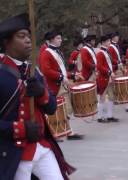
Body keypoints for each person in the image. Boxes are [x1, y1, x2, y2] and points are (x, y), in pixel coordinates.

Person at [0, 13, 75, 180]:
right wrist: (19, 129)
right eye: (21, 36)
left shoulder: (33, 72)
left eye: (28, 36)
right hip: (13, 153)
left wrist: (42, 93)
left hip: (41, 146)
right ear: (7, 42)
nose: (28, 40)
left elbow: (51, 108)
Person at [39, 30, 84, 141]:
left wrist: (72, 75)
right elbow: (46, 71)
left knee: (65, 109)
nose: (61, 40)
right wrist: (62, 78)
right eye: (58, 38)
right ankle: (56, 132)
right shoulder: (46, 53)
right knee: (60, 110)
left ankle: (67, 131)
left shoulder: (57, 51)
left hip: (61, 84)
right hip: (55, 86)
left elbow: (62, 70)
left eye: (60, 38)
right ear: (51, 40)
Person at [96, 34, 119, 123]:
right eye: (108, 41)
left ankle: (110, 115)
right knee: (102, 97)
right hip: (103, 78)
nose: (110, 43)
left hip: (109, 77)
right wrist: (109, 72)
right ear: (103, 42)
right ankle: (100, 117)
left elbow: (109, 64)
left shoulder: (106, 51)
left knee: (112, 97)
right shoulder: (100, 53)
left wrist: (116, 65)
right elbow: (99, 66)